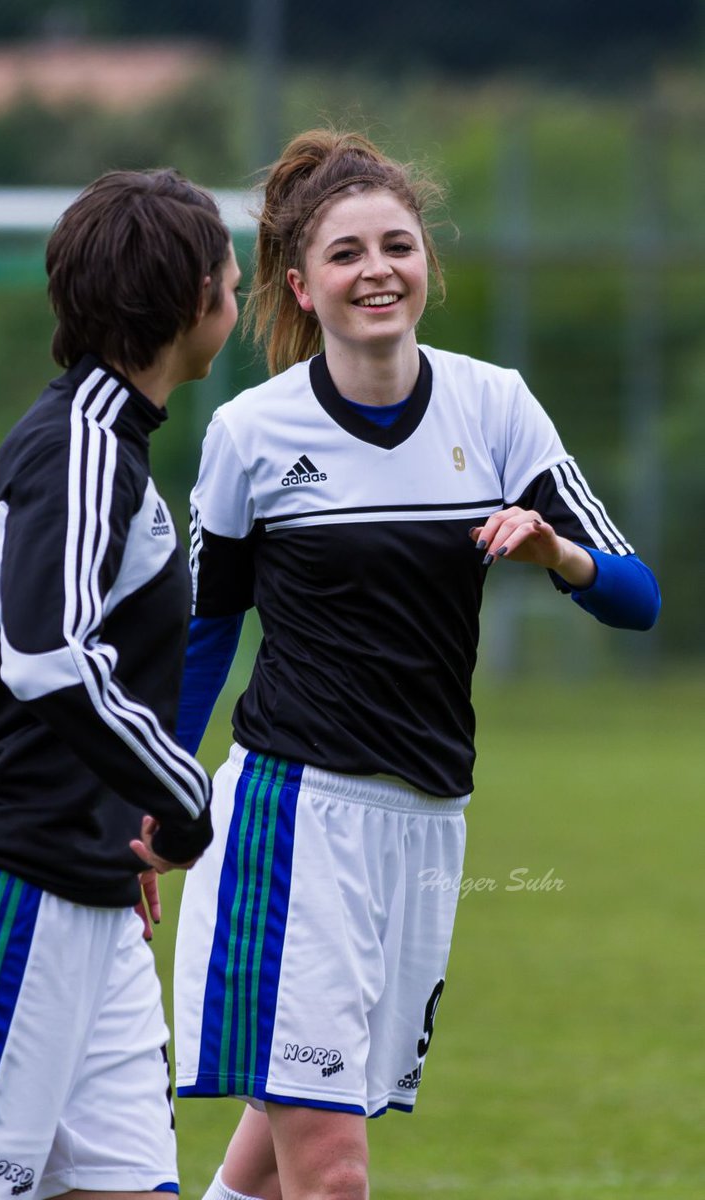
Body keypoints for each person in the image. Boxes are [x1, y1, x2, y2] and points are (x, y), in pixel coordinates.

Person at [170, 130, 661, 1200]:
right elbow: (205, 631)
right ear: (301, 284)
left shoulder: (494, 407)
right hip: (290, 820)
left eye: (396, 244)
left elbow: (636, 597)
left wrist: (555, 552)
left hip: (429, 822)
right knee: (332, 1170)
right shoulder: (253, 432)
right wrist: (150, 795)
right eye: (345, 254)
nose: (376, 268)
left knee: (272, 1151)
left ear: (427, 266)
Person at [0, 168, 242, 1200]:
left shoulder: (97, 439)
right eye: (230, 276)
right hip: (4, 897)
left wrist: (101, 798)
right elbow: (45, 654)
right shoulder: (81, 445)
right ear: (192, 300)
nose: (237, 295)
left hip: (93, 906)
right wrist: (178, 792)